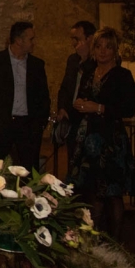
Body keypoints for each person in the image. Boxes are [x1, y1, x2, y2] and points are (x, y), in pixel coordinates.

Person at [67, 27, 135, 241]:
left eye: (108, 47)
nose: (103, 51)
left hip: (110, 142)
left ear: (115, 50)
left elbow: (128, 108)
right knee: (92, 193)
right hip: (88, 139)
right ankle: (94, 242)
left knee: (112, 194)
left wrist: (98, 108)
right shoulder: (89, 73)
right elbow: (81, 98)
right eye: (98, 46)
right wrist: (79, 104)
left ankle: (115, 243)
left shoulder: (122, 75)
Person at [0, 21, 51, 171]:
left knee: (29, 171)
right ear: (19, 40)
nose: (34, 43)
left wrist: (40, 124)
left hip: (28, 127)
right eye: (31, 39)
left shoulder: (37, 65)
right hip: (0, 126)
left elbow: (44, 97)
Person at [55, 20, 96, 167]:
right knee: (73, 161)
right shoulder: (72, 60)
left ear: (89, 39)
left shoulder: (98, 62)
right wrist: (62, 108)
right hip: (72, 119)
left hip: (90, 122)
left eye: (77, 39)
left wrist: (86, 58)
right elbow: (65, 87)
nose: (73, 43)